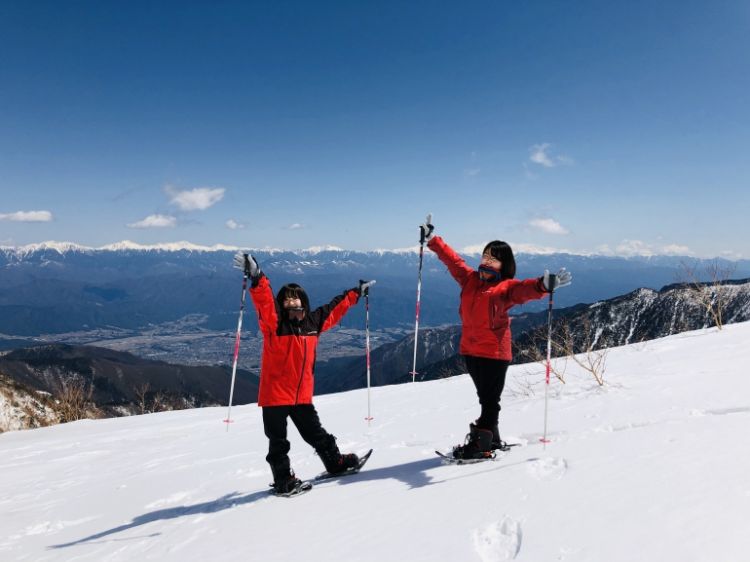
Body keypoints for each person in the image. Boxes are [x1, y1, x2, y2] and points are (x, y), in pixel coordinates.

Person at [421, 221, 572, 459]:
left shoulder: (505, 287)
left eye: (494, 258)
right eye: (485, 255)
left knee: (491, 401)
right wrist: (434, 241)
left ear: (504, 264)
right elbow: (453, 261)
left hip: (494, 353)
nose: (487, 260)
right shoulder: (470, 279)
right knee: (485, 398)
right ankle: (492, 438)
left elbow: (525, 289)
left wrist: (542, 285)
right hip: (470, 350)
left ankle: (482, 443)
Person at [233, 251, 373, 493]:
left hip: (301, 396)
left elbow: (334, 308)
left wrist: (355, 294)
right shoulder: (275, 324)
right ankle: (283, 480)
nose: (291, 302)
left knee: (316, 433)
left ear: (303, 301)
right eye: (286, 299)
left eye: (295, 298)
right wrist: (257, 277)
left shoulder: (313, 323)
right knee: (278, 442)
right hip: (275, 395)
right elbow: (265, 302)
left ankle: (335, 463)